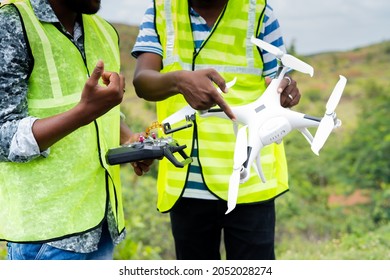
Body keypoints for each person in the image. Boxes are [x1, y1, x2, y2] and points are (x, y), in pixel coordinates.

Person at [131, 0, 301, 260]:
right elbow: (142, 82)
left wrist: (286, 86)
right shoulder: (160, 10)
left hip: (250, 177)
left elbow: (279, 78)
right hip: (187, 181)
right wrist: (178, 80)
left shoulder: (259, 12)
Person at [0, 0, 152, 260]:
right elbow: (3, 135)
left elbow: (100, 112)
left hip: (102, 226)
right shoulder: (11, 24)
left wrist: (131, 141)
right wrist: (82, 113)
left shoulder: (103, 30)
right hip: (45, 238)